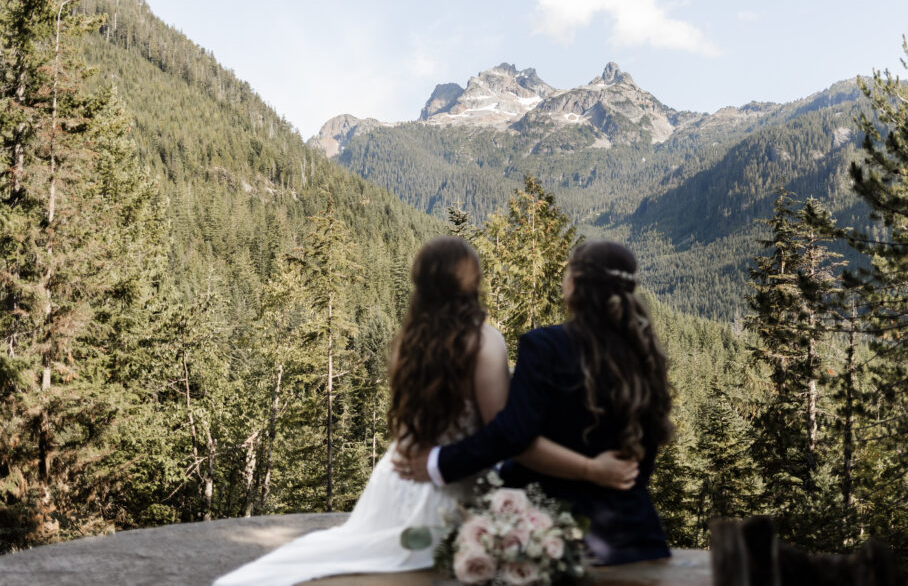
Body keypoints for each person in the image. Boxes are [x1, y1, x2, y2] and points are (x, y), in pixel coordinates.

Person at [214, 237, 636, 586]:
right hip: (454, 483)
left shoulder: (408, 340)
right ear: (471, 282)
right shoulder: (484, 341)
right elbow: (499, 428)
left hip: (395, 478)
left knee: (356, 548)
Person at [397, 240, 673, 566]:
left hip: (552, 535)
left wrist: (438, 462)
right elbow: (643, 456)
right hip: (638, 536)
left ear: (575, 284)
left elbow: (513, 433)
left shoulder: (545, 346)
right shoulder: (645, 353)